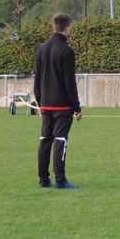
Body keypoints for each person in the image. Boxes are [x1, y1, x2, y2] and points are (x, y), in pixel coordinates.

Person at [34, 12, 83, 189]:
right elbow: (70, 82)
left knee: (45, 139)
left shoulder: (42, 49)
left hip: (46, 104)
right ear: (68, 27)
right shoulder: (67, 51)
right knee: (60, 140)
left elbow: (37, 79)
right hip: (63, 105)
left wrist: (40, 103)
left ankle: (43, 179)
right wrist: (77, 107)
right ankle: (61, 180)